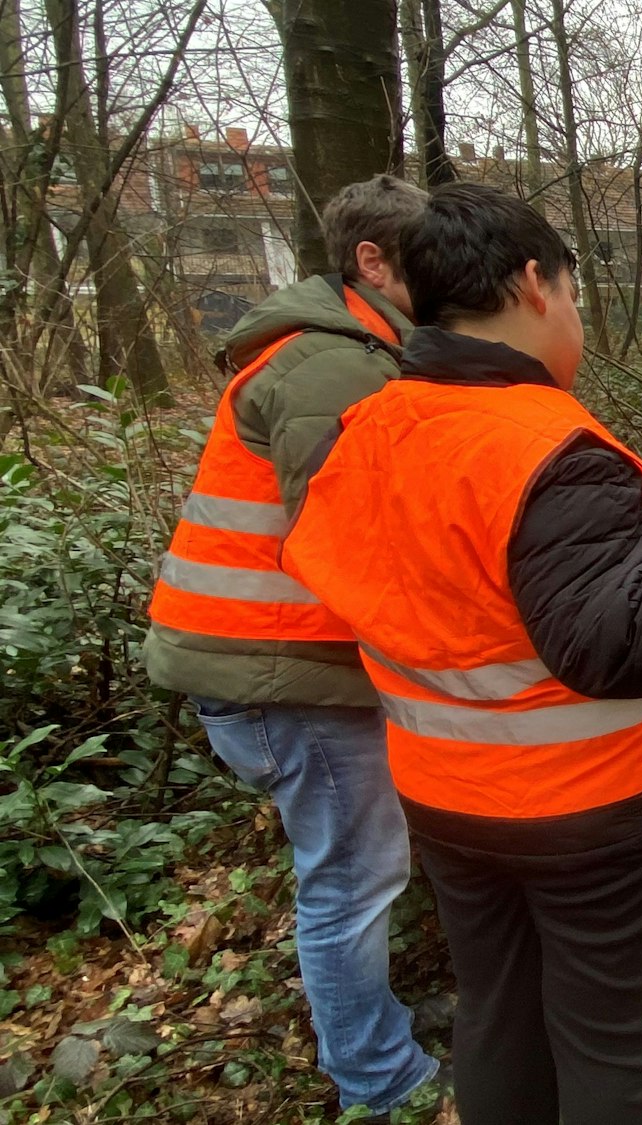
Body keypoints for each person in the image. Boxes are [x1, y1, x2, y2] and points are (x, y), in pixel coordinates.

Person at [279, 182, 642, 1124]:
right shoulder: (546, 447)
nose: (571, 311)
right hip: (593, 809)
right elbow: (616, 641)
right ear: (535, 283)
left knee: (500, 1016)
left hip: (446, 800)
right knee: (607, 1039)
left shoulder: (369, 433)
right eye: (572, 290)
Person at [144, 175, 439, 1113]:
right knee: (353, 876)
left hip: (277, 662)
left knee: (356, 866)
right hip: (281, 670)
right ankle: (377, 1077)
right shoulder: (331, 366)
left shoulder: (344, 353)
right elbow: (353, 538)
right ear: (373, 262)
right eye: (424, 262)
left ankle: (370, 1033)